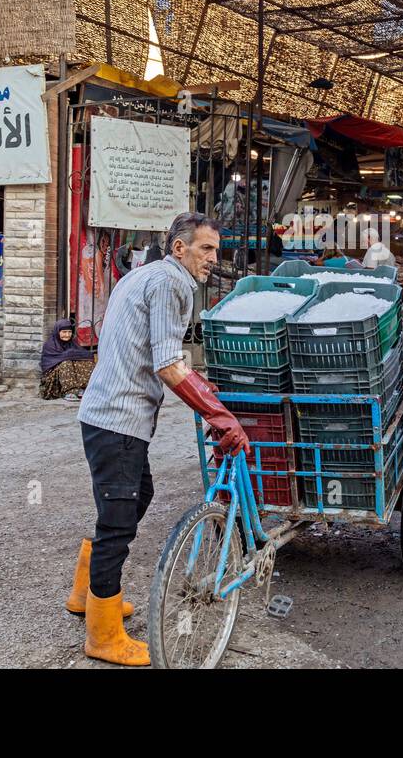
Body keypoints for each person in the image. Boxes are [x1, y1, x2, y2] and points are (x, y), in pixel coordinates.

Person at [69, 211, 250, 667]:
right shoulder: (170, 283)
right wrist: (218, 413)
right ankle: (104, 635)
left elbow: (159, 355)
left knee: (134, 497)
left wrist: (204, 392)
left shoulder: (145, 274)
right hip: (118, 418)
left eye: (216, 249)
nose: (213, 257)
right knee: (118, 523)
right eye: (205, 248)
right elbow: (169, 364)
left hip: (107, 414)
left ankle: (85, 594)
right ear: (178, 248)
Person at [40, 319, 95, 399]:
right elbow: (48, 364)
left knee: (87, 363)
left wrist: (71, 355)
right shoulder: (50, 345)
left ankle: (82, 388)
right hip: (53, 377)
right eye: (64, 332)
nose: (67, 335)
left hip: (69, 374)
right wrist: (69, 355)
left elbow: (86, 355)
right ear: (57, 332)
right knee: (66, 363)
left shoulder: (72, 343)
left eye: (69, 332)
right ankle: (69, 392)